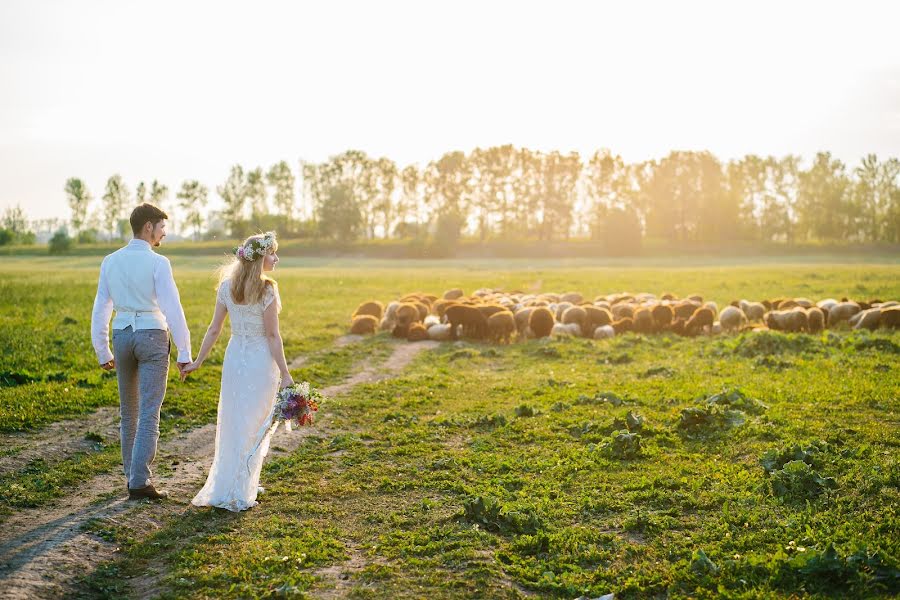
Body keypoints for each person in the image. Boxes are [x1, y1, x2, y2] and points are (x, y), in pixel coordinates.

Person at [183, 231, 293, 511]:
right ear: (259, 259)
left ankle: (238, 481)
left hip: (235, 359)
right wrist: (286, 373)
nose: (276, 258)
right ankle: (241, 488)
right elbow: (272, 336)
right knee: (254, 422)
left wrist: (199, 360)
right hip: (259, 361)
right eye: (272, 253)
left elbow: (214, 329)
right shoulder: (267, 289)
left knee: (235, 421)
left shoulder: (227, 287)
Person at [90, 203, 193, 500]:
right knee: (149, 412)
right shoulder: (159, 263)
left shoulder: (110, 261)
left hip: (121, 337)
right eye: (161, 228)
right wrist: (184, 351)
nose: (163, 235)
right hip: (152, 336)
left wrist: (102, 349)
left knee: (129, 412)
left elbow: (101, 307)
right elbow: (172, 308)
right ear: (148, 227)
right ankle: (138, 482)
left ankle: (133, 476)